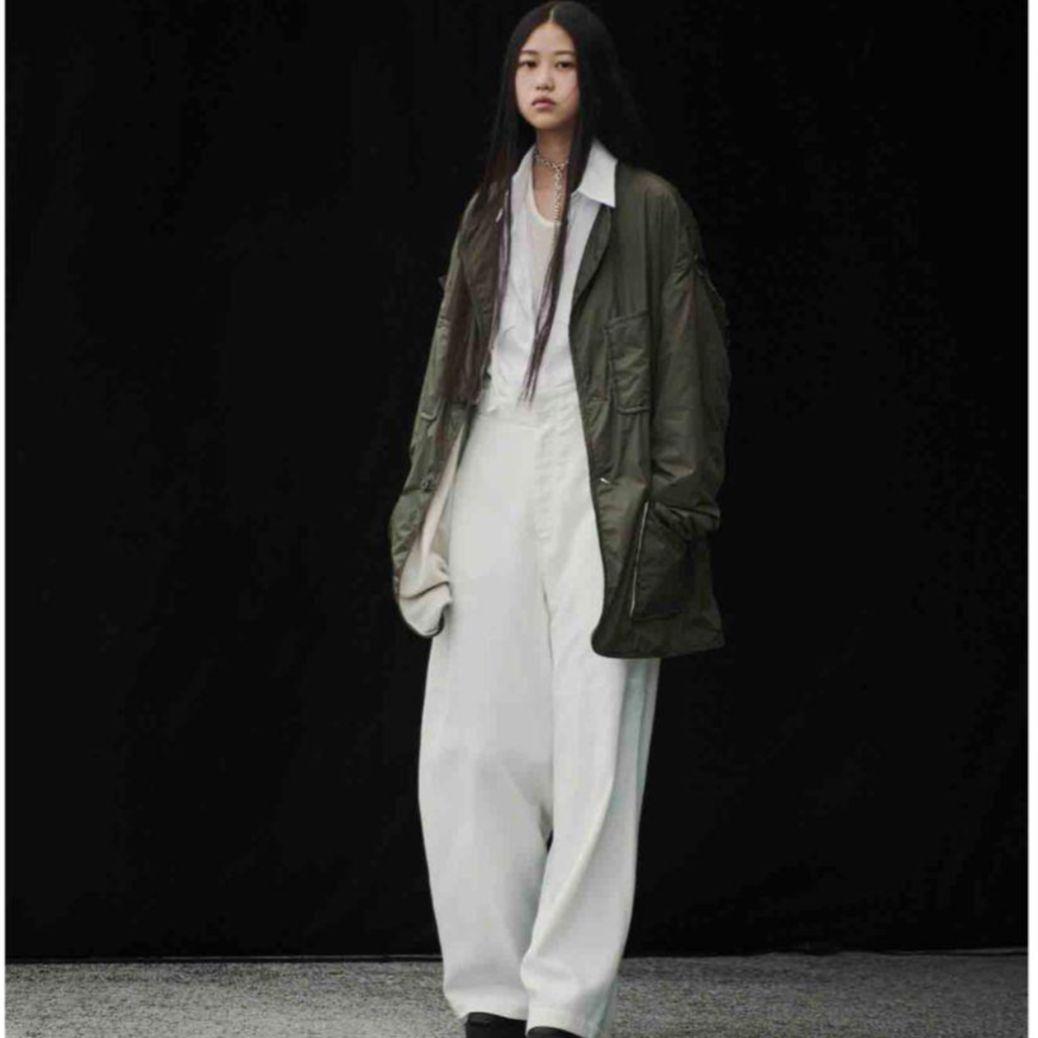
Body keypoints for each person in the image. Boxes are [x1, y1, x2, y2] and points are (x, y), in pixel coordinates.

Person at [387, 4, 731, 1037]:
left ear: (595, 79)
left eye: (563, 63)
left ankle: (564, 1004)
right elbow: (446, 371)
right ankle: (490, 992)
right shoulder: (486, 209)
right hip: (493, 456)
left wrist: (677, 511)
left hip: (602, 472)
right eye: (527, 63)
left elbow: (691, 374)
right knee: (473, 739)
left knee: (596, 733)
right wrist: (424, 502)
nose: (542, 80)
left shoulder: (647, 207)